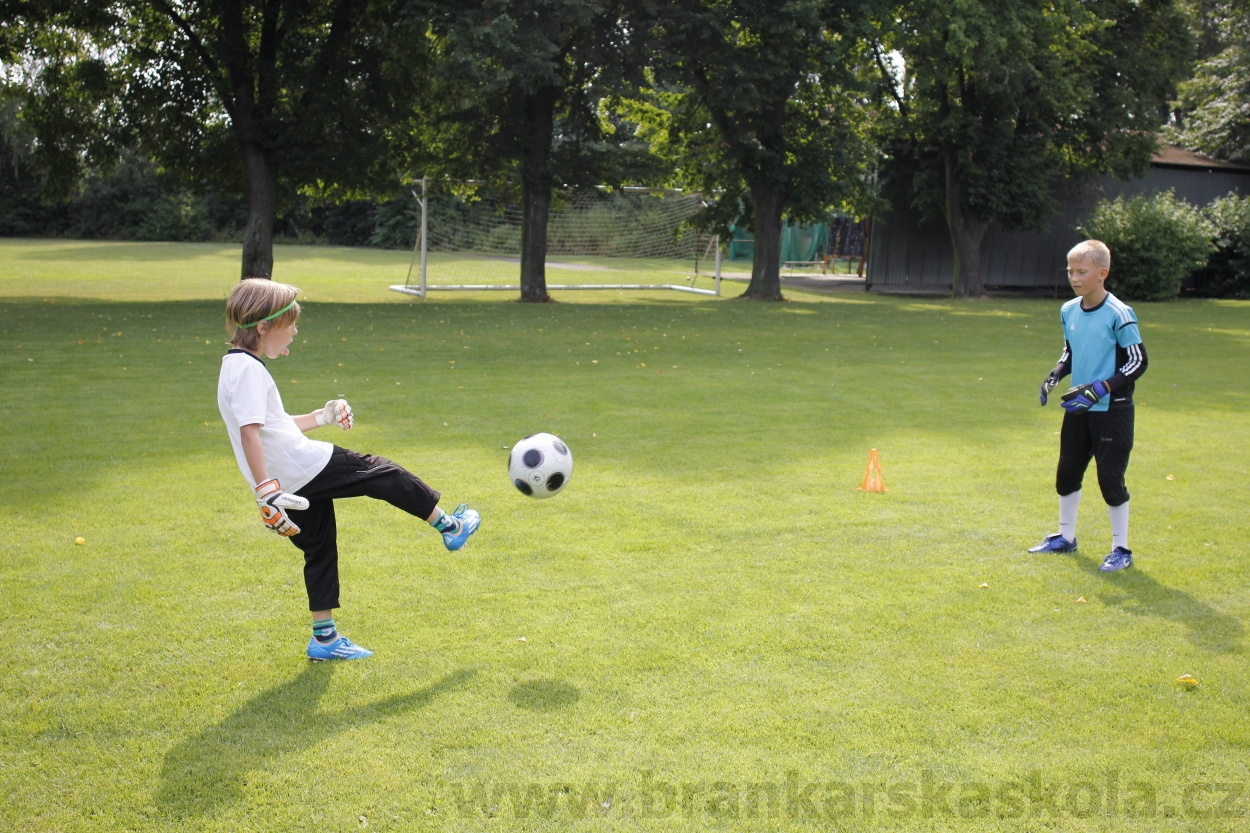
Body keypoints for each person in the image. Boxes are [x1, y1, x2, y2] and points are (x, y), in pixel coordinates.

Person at [217, 278, 480, 660]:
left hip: (289, 480)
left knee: (319, 547)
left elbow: (270, 425)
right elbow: (249, 434)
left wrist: (320, 416)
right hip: (302, 467)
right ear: (263, 328)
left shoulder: (236, 367)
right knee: (382, 473)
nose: (295, 330)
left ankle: (323, 638)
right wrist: (266, 490)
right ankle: (450, 527)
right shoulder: (248, 371)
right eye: (290, 323)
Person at [1031, 239, 1147, 572]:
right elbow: (1070, 351)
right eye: (1070, 270)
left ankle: (1121, 550)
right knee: (1066, 475)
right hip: (1078, 409)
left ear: (1102, 273)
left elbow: (1138, 362)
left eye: (1082, 271)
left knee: (1111, 481)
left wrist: (1101, 388)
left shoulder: (1120, 314)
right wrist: (1054, 375)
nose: (1074, 277)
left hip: (1113, 411)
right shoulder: (1068, 310)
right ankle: (1066, 539)